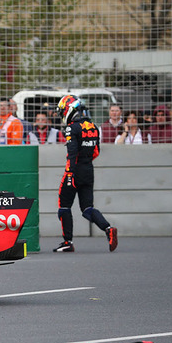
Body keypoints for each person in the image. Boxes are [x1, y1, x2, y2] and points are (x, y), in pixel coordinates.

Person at [54, 95, 117, 253]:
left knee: (64, 206)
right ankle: (108, 229)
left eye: (63, 111)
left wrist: (70, 174)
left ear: (69, 109)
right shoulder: (94, 127)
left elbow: (72, 154)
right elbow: (96, 152)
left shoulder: (72, 127)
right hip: (88, 170)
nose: (62, 115)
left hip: (73, 171)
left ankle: (67, 242)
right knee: (87, 208)